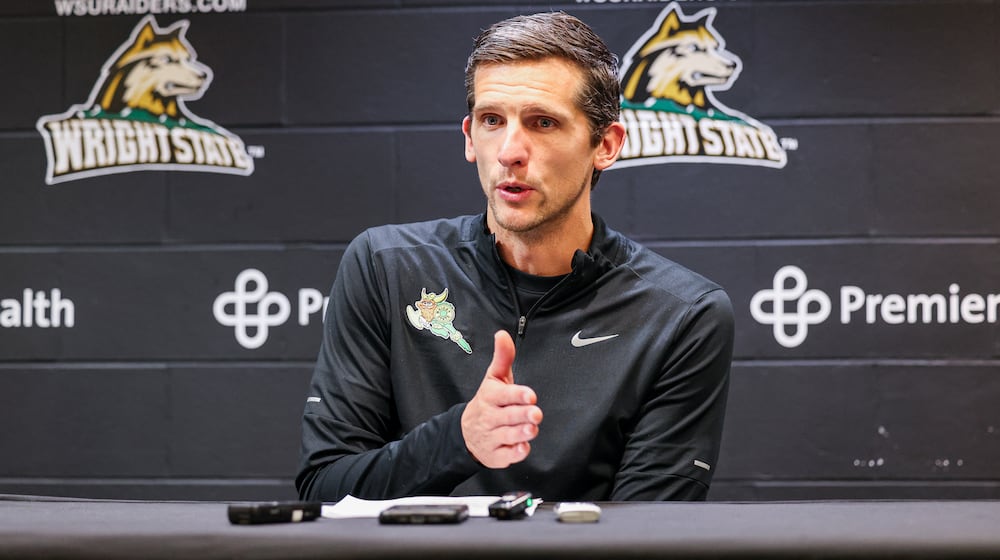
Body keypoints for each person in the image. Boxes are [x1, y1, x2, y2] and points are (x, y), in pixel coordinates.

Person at [296, 11, 734, 503]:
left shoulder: (682, 314)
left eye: (542, 122)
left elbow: (648, 532)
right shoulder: (385, 265)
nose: (509, 151)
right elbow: (325, 490)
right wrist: (460, 439)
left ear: (605, 145)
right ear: (469, 137)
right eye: (491, 120)